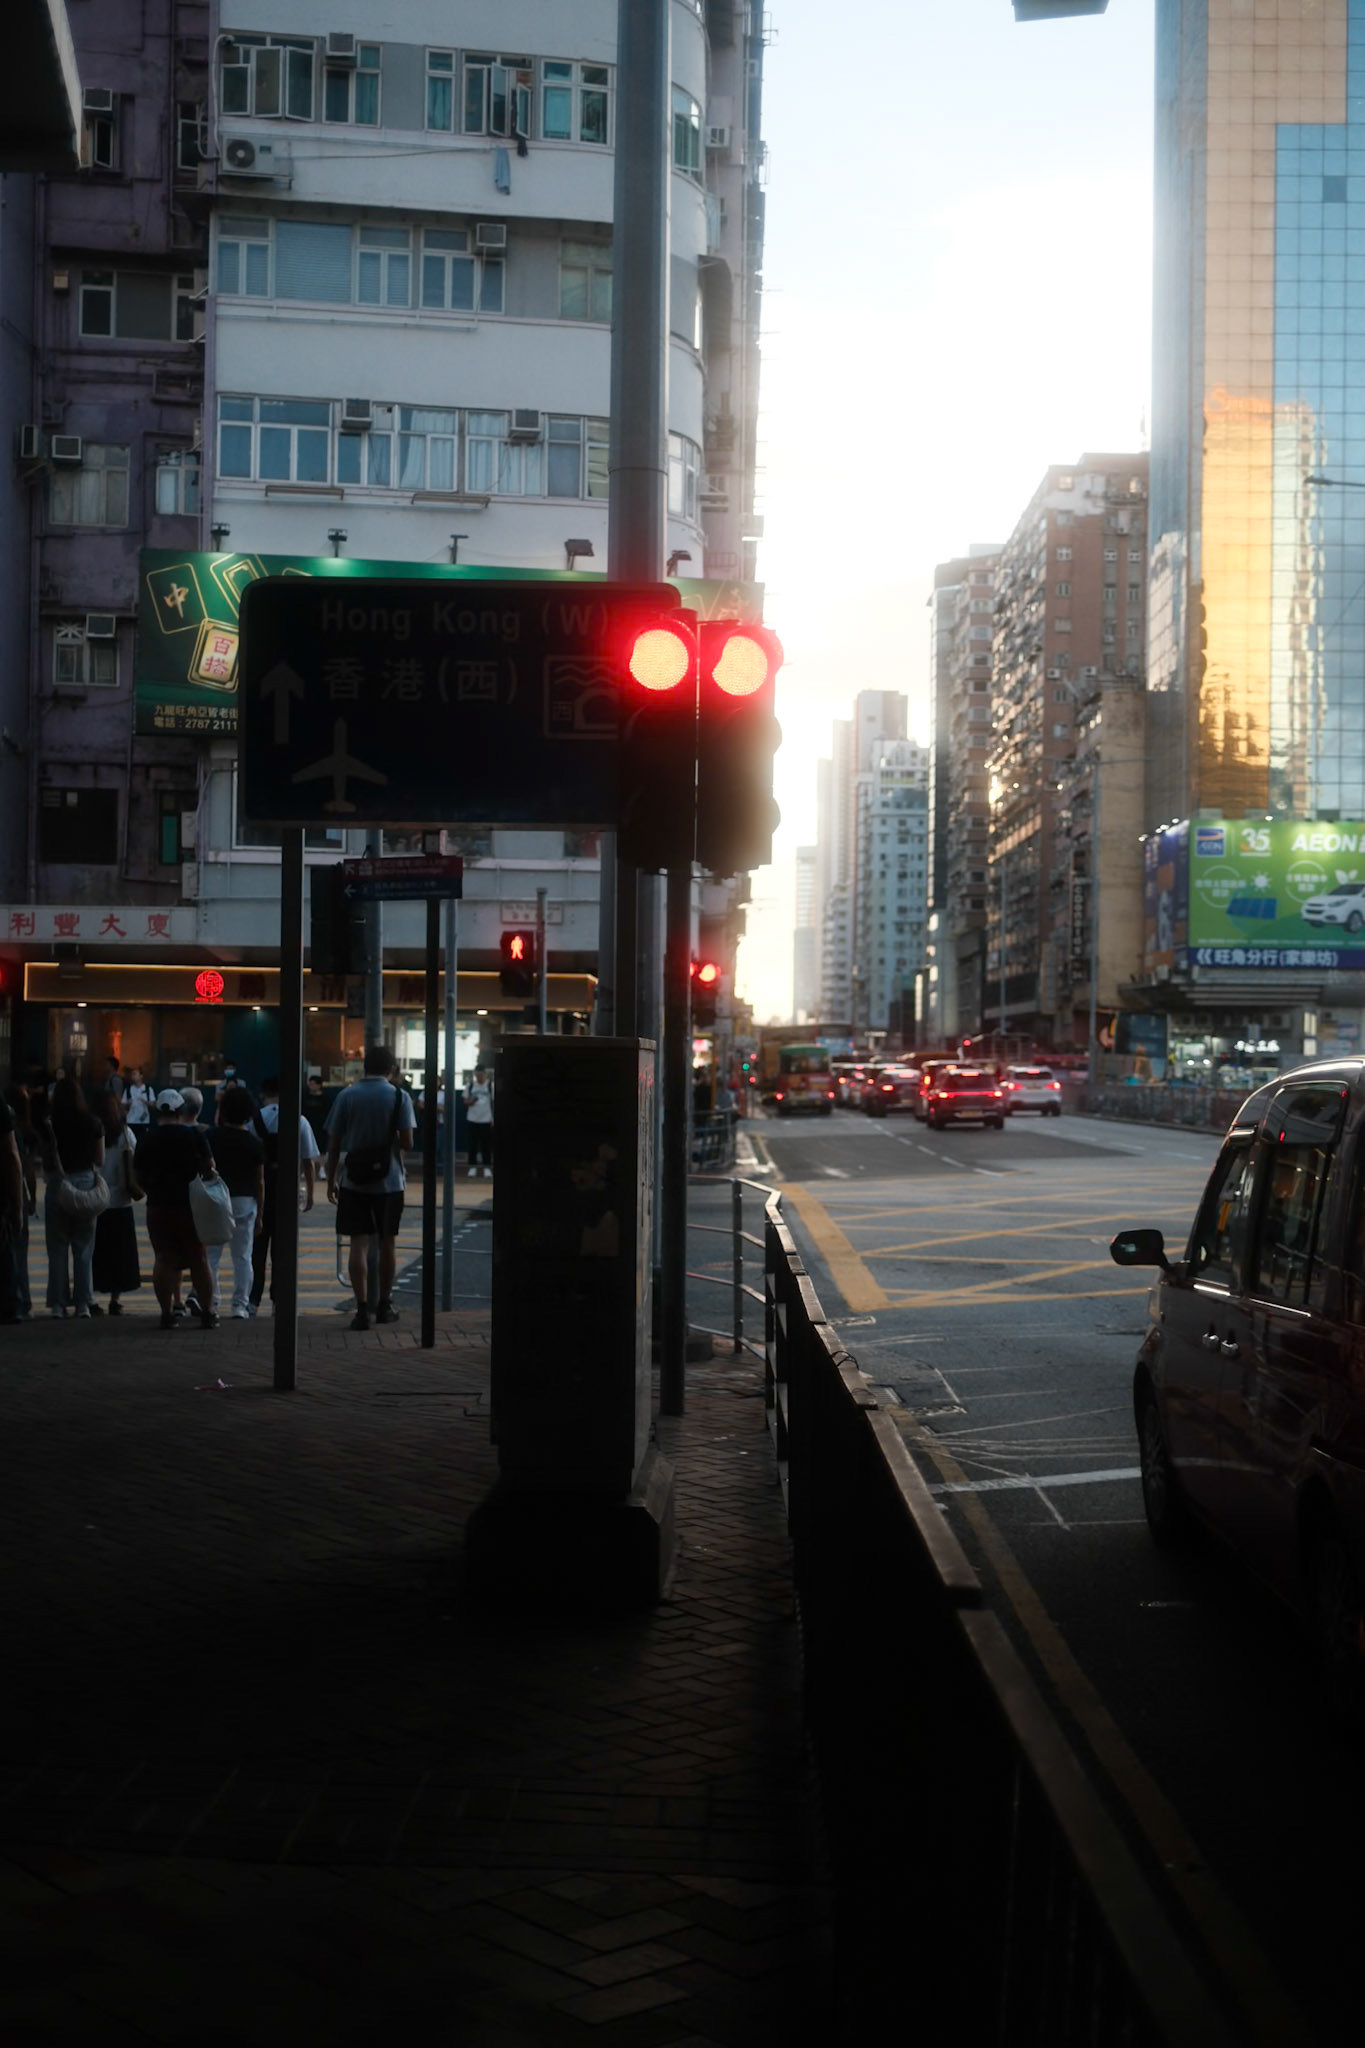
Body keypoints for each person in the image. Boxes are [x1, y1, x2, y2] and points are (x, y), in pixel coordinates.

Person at [325, 1045, 415, 1331]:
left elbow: (334, 1143)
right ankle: (385, 1304)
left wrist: (330, 1180)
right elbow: (408, 1142)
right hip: (389, 1181)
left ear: (365, 1067)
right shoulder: (400, 1096)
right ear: (391, 1070)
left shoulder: (347, 1095)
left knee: (357, 1244)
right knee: (388, 1242)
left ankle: (361, 1308)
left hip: (353, 1180)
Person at [134, 1088, 217, 1330]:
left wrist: (152, 1190)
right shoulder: (194, 1136)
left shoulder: (147, 1138)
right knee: (199, 1258)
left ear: (158, 1111)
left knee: (163, 1258)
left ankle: (166, 1313)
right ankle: (208, 1313)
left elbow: (137, 1175)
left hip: (158, 1207)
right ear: (181, 1111)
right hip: (190, 1207)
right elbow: (209, 1166)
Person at [250, 1075, 319, 1314]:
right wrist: (310, 1193)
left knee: (256, 1251)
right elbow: (309, 1161)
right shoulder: (299, 1120)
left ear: (263, 1093)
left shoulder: (254, 1120)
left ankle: (252, 1300)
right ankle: (279, 1300)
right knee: (283, 1251)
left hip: (259, 1193)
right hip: (287, 1193)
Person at [39, 1076, 105, 1318]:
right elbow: (100, 1160)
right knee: (83, 1247)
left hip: (58, 1184)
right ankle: (83, 1304)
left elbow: (45, 1158)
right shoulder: (93, 1123)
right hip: (86, 1185)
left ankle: (58, 1304)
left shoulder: (49, 1124)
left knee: (57, 1248)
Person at [205, 1085, 265, 1321]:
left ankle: (212, 1300)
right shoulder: (254, 1143)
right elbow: (260, 1182)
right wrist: (260, 1214)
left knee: (212, 1257)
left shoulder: (210, 1137)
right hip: (244, 1202)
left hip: (214, 1200)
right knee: (243, 1257)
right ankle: (240, 1305)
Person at [90, 1089, 142, 1315]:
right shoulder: (125, 1134)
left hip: (96, 1198)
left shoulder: (91, 1132)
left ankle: (91, 1297)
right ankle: (115, 1298)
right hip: (121, 1199)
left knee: (95, 1251)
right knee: (120, 1252)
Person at [3, 1086, 37, 1320]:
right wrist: (26, 1200)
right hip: (11, 1194)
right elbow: (24, 1167)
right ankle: (20, 1300)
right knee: (17, 1250)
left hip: (11, 1193)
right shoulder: (24, 1130)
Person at [464, 1066, 493, 1179]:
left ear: (485, 1075)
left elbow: (494, 1102)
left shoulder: (490, 1086)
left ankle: (487, 1167)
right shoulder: (470, 1085)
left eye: (481, 1074)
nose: (479, 1077)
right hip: (472, 1118)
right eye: (477, 1075)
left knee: (486, 1145)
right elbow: (465, 1101)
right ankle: (472, 1167)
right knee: (473, 1144)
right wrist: (470, 1101)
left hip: (486, 1119)